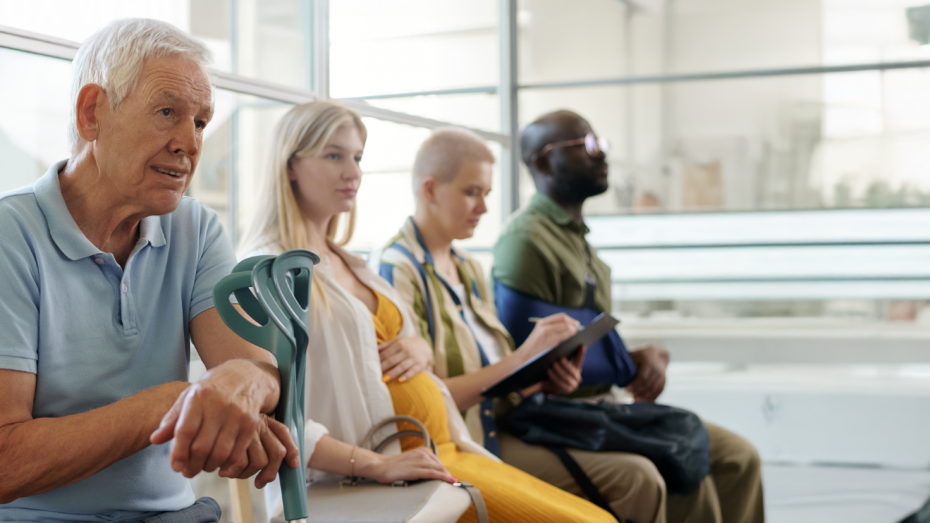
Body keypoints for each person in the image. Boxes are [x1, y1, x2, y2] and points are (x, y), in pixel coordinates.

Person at [237, 101, 615, 523]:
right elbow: (270, 416)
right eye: (334, 155)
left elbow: (385, 348)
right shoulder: (266, 271)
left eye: (357, 157)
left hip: (438, 447)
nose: (353, 172)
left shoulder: (347, 260)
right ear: (290, 165)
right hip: (378, 470)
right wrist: (373, 463)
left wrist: (419, 347)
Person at [0, 19, 299, 522]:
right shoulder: (11, 236)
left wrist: (242, 384)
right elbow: (6, 462)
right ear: (92, 113)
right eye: (167, 113)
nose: (190, 143)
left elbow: (255, 370)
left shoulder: (195, 227)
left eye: (201, 122)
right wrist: (176, 402)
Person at [379, 127, 667, 523]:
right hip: (465, 445)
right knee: (638, 478)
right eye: (471, 192)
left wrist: (543, 379)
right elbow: (427, 400)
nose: (482, 207)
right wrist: (523, 358)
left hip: (507, 426)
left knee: (652, 467)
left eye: (487, 195)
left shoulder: (468, 268)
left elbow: (497, 382)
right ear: (429, 190)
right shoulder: (397, 271)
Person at [492, 109, 765, 523]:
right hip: (557, 419)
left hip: (600, 404)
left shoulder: (580, 244)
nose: (602, 155)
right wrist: (617, 364)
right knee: (686, 475)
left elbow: (583, 344)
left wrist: (638, 359)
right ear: (544, 162)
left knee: (740, 458)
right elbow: (528, 362)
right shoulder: (526, 241)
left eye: (602, 144)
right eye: (587, 145)